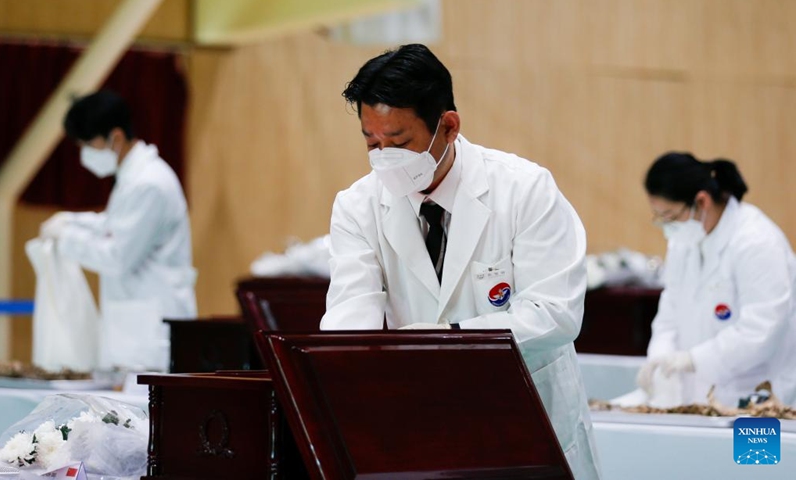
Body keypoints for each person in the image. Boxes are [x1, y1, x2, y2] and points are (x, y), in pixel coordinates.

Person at [320, 44, 601, 478]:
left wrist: (441, 341)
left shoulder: (524, 190)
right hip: (417, 422)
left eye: (399, 142)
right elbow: (348, 319)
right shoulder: (357, 206)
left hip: (526, 417)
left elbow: (555, 314)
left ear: (448, 126)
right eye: (372, 142)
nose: (383, 158)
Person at [40, 90, 197, 371]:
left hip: (151, 332)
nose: (84, 154)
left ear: (116, 137)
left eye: (88, 144)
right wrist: (72, 221)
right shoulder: (132, 179)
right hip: (134, 327)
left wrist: (66, 238)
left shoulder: (148, 183)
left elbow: (117, 256)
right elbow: (114, 225)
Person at [637, 152, 796, 407]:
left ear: (702, 201)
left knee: (753, 449)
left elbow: (760, 331)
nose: (667, 226)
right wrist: (660, 359)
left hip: (760, 398)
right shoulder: (684, 242)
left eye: (670, 216)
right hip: (699, 399)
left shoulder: (757, 242)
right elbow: (670, 313)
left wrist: (692, 360)